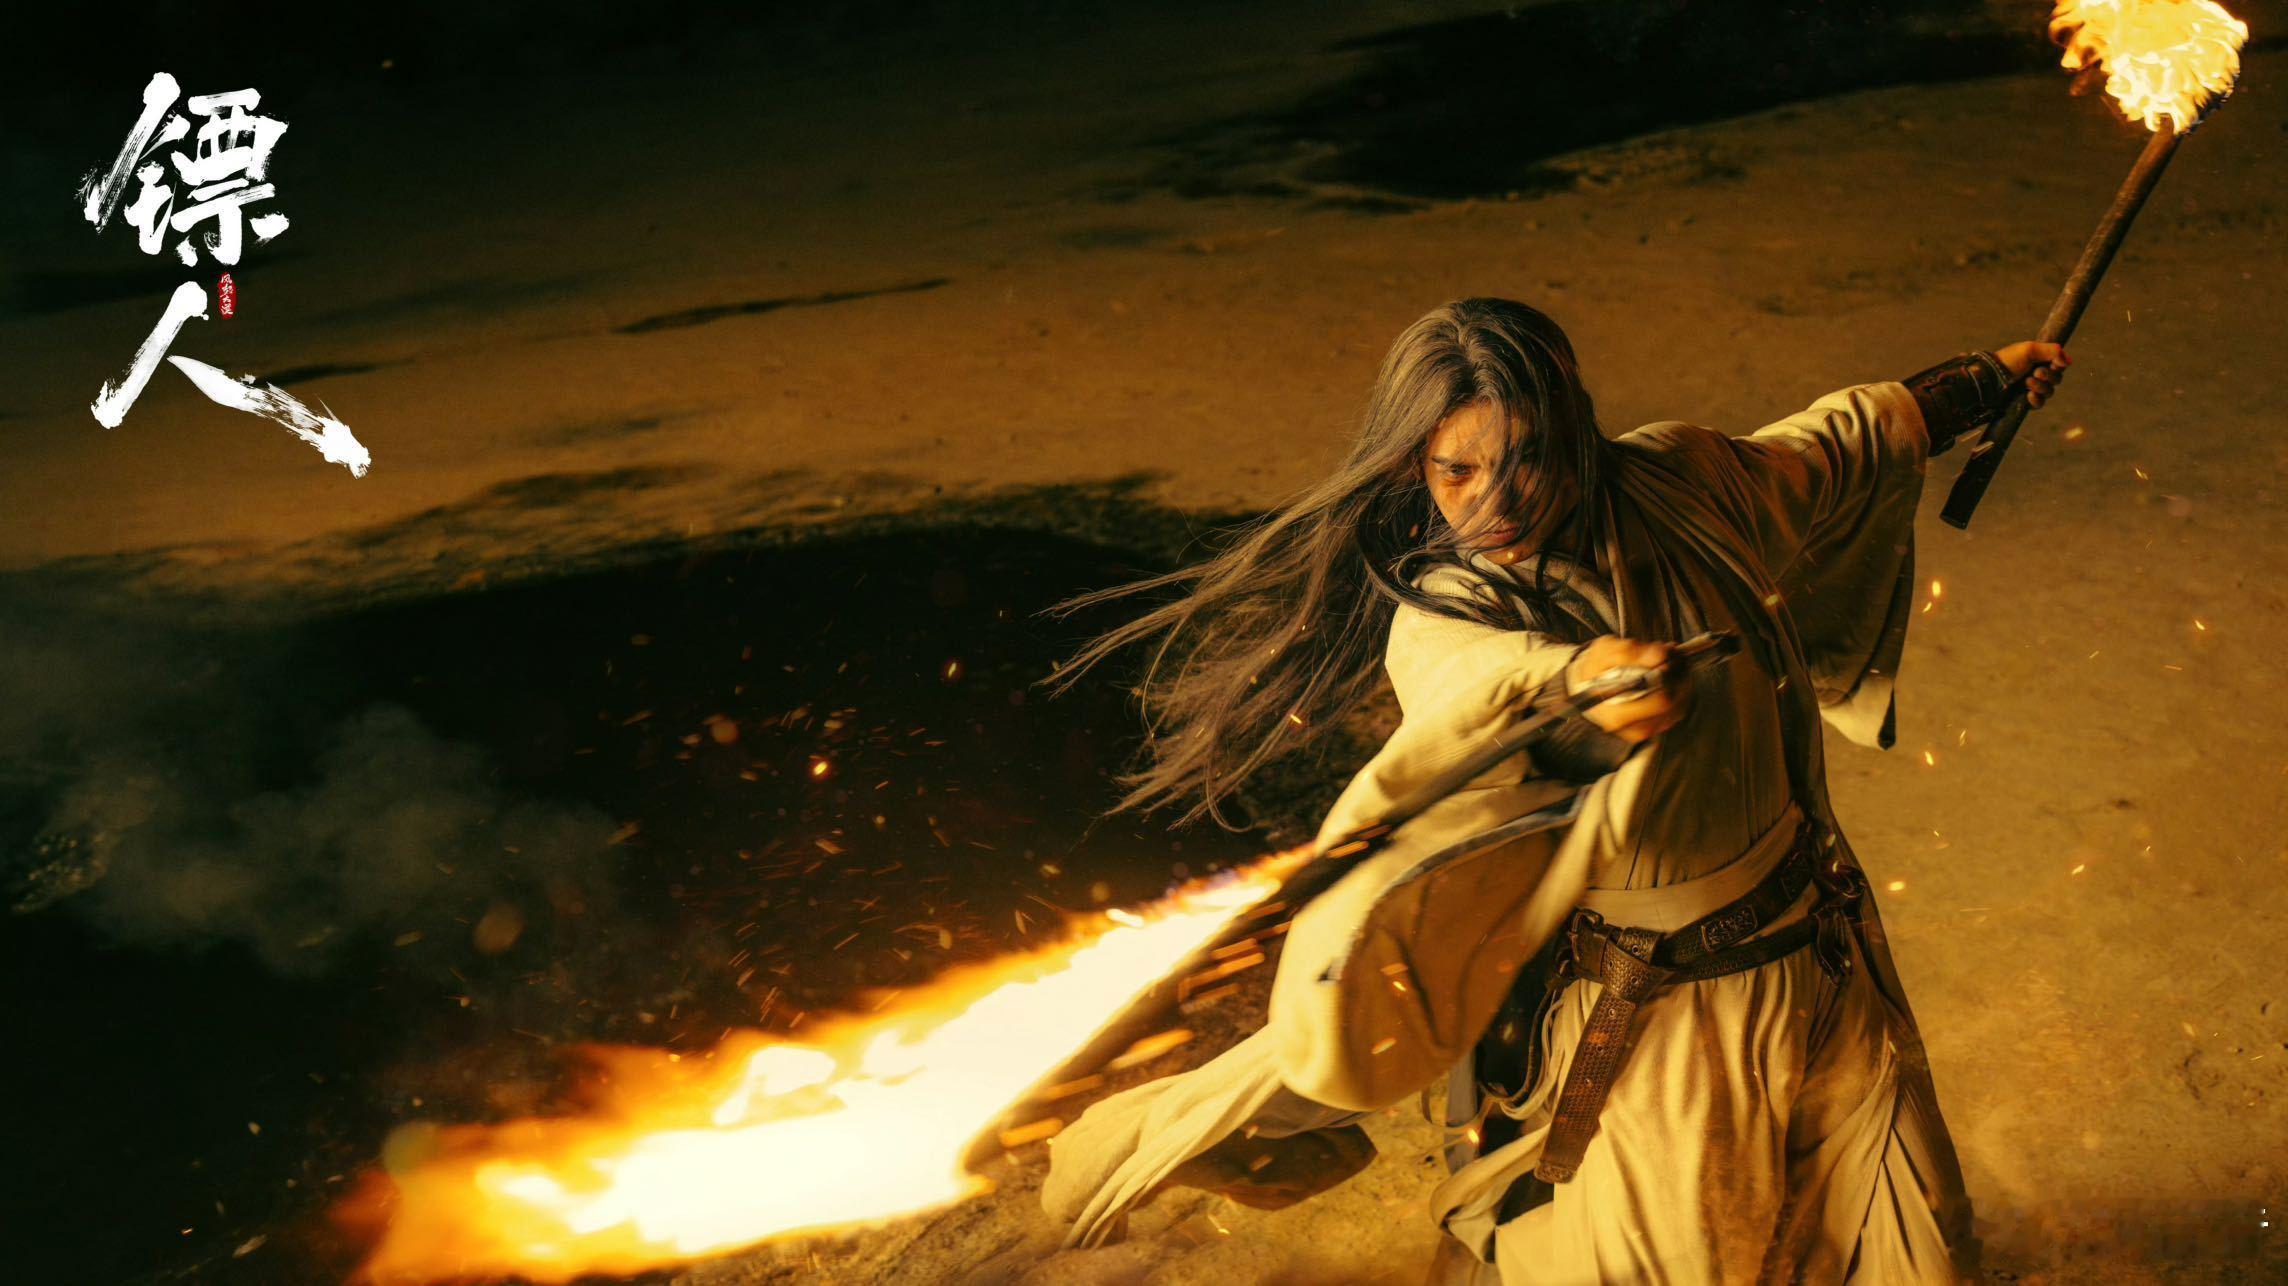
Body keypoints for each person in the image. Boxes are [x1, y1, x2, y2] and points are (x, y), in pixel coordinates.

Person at [1037, 298, 2066, 1282]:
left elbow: (1826, 447)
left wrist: (1976, 384)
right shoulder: (1446, 610)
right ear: (1416, 465)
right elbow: (1481, 690)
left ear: (1576, 432)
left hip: (1822, 956)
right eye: (1458, 469)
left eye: (1528, 458)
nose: (1496, 500)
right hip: (1666, 1009)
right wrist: (1575, 684)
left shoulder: (1681, 478)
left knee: (1915, 1251)